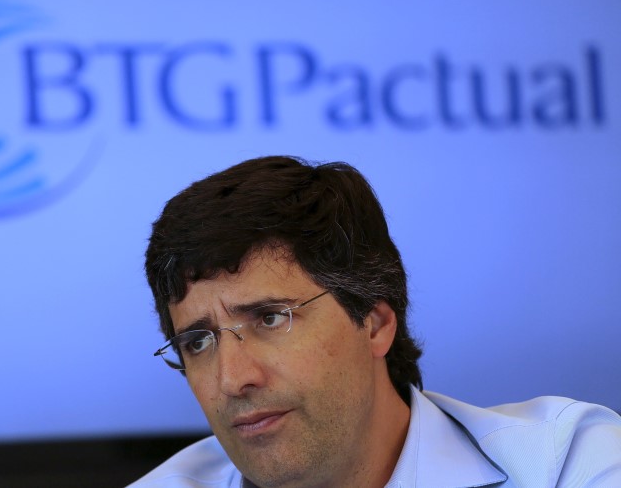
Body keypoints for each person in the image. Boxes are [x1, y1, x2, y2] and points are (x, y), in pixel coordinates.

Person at [131, 156, 621, 487]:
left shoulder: (564, 464)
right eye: (197, 342)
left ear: (376, 322)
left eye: (271, 317)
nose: (232, 379)